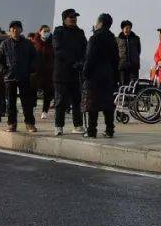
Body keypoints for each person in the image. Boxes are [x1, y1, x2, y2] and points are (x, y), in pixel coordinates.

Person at [82, 13, 120, 138]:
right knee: (108, 104)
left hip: (94, 76)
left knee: (92, 104)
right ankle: (110, 130)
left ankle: (92, 130)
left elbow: (89, 58)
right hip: (108, 76)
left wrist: (85, 73)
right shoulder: (113, 39)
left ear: (101, 23)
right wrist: (116, 77)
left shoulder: (94, 38)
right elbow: (116, 60)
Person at [0, 21, 37, 133]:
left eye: (17, 28)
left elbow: (34, 57)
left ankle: (29, 124)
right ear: (10, 30)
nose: (15, 30)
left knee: (27, 102)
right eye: (12, 28)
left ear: (21, 30)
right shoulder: (5, 44)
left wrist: (31, 69)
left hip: (24, 76)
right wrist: (5, 71)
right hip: (9, 78)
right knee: (11, 103)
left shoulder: (27, 43)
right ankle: (11, 124)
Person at [52, 8, 87, 136]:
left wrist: (82, 63)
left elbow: (85, 49)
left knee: (77, 100)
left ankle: (78, 125)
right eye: (71, 17)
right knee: (60, 101)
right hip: (61, 72)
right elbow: (58, 49)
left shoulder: (80, 32)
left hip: (76, 72)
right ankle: (59, 126)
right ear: (64, 19)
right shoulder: (58, 31)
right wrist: (72, 61)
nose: (74, 19)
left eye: (75, 17)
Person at [29, 25, 55, 118]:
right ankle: (32, 107)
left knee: (47, 92)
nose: (46, 33)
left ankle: (45, 111)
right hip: (36, 72)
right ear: (40, 32)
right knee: (33, 91)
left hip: (48, 72)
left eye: (48, 31)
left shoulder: (52, 43)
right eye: (44, 31)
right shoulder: (34, 42)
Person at [116, 20, 142, 87]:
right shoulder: (118, 39)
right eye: (126, 28)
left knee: (134, 86)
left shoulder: (136, 39)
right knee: (123, 86)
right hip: (122, 66)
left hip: (133, 66)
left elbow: (138, 51)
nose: (128, 30)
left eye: (129, 28)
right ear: (122, 29)